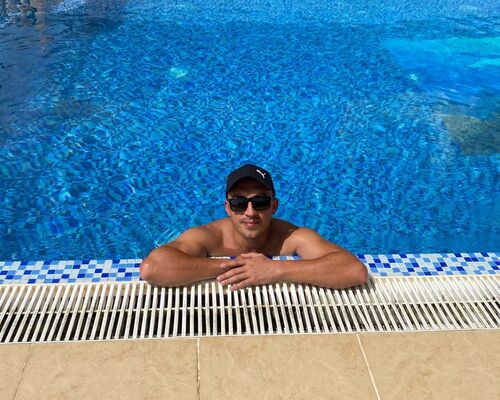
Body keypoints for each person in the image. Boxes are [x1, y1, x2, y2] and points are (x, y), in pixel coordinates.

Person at [140, 164, 368, 290]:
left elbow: (354, 270)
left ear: (274, 206)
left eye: (260, 202)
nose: (250, 212)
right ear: (228, 208)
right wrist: (234, 268)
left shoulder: (291, 236)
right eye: (239, 203)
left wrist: (276, 269)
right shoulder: (208, 236)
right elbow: (152, 268)